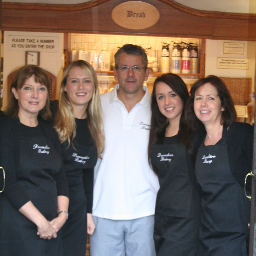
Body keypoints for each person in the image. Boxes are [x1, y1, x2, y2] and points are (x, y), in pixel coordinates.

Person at [90, 44, 159, 256]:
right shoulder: (96, 106)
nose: (130, 74)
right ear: (115, 72)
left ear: (147, 73)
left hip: (147, 211)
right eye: (124, 67)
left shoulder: (160, 109)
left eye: (137, 67)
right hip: (103, 210)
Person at [0, 65, 69, 256]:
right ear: (15, 92)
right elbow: (7, 182)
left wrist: (61, 216)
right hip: (18, 226)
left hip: (51, 226)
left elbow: (61, 178)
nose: (35, 95)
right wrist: (41, 222)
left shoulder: (49, 131)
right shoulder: (5, 128)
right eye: (28, 88)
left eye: (41, 89)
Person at [186, 75, 253, 256]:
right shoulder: (196, 141)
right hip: (206, 237)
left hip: (237, 239)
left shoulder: (243, 135)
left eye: (210, 98)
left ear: (223, 105)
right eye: (198, 98)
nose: (203, 104)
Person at [53, 60, 104, 256]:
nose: (81, 87)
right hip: (50, 202)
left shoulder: (94, 125)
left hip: (77, 208)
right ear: (65, 86)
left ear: (94, 87)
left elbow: (87, 174)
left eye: (87, 81)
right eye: (74, 81)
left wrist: (88, 213)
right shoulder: (50, 114)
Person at [148, 73, 202, 255]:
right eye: (160, 97)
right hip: (163, 214)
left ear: (183, 95)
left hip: (188, 217)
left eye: (172, 95)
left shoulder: (197, 131)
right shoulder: (158, 133)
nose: (167, 102)